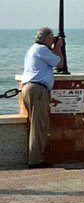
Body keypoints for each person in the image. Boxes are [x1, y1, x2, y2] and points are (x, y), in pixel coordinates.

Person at [21, 27, 65, 169]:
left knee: (37, 124)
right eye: (52, 37)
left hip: (31, 88)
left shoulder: (35, 49)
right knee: (39, 125)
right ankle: (35, 160)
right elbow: (59, 63)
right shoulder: (41, 50)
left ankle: (36, 157)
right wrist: (58, 47)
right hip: (38, 90)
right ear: (45, 38)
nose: (53, 40)